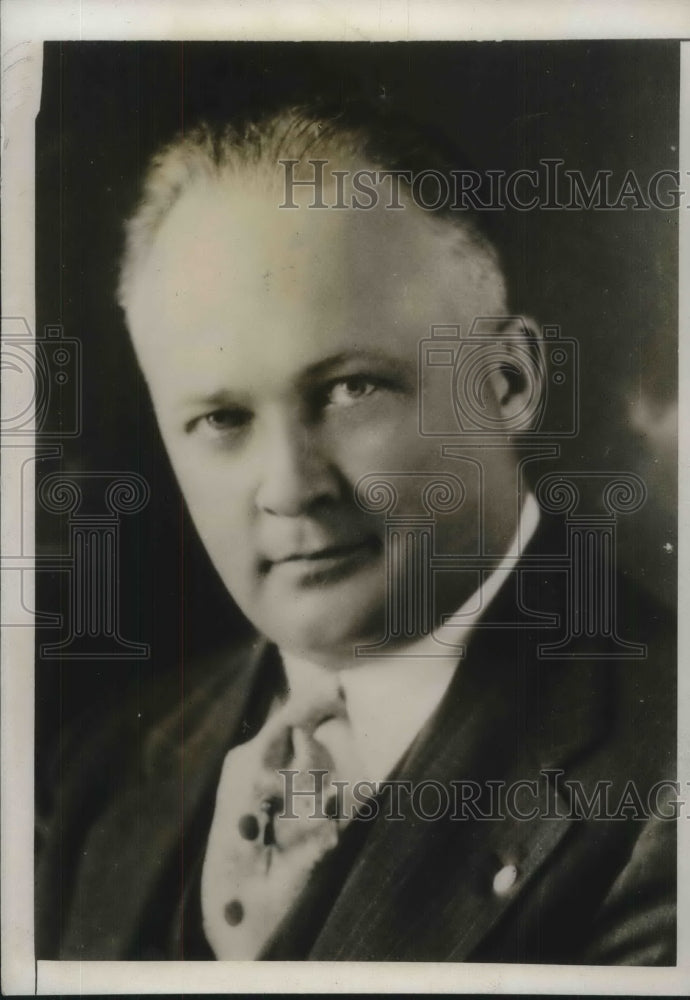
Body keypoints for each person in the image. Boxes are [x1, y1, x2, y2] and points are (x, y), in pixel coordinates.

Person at [36, 102, 676, 963]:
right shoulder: (93, 773)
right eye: (223, 416)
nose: (293, 488)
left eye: (350, 390)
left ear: (509, 381)